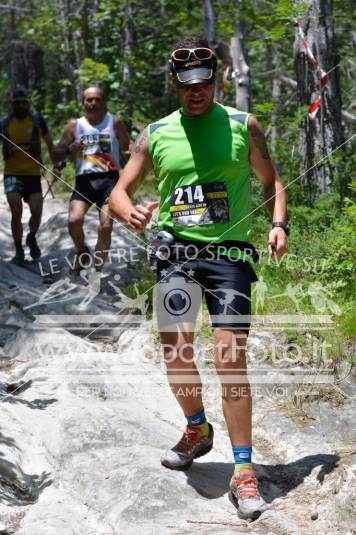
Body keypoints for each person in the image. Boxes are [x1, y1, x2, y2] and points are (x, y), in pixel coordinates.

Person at [109, 36, 288, 520]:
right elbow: (120, 191)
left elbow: (272, 182)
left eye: (204, 83)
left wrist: (277, 223)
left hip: (229, 256)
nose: (196, 91)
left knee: (231, 358)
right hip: (175, 253)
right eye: (187, 84)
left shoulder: (241, 125)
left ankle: (244, 472)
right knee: (177, 349)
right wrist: (130, 214)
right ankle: (197, 429)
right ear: (174, 84)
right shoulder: (156, 133)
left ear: (217, 80)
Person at [52, 86, 130, 276]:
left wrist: (135, 153)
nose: (93, 103)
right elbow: (56, 154)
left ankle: (97, 272)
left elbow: (128, 145)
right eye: (89, 100)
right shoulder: (74, 126)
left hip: (110, 180)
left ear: (103, 102)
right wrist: (70, 150)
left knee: (105, 226)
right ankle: (82, 252)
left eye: (97, 99)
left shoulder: (114, 122)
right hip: (84, 182)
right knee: (74, 220)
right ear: (83, 103)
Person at [0, 88, 57, 264]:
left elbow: (49, 145)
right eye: (17, 103)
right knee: (16, 210)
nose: (21, 106)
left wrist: (56, 165)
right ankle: (18, 250)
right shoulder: (4, 124)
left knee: (37, 210)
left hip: (32, 175)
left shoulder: (38, 121)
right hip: (12, 174)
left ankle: (31, 237)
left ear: (29, 103)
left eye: (24, 102)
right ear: (11, 105)